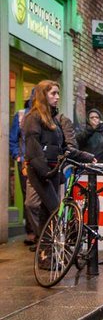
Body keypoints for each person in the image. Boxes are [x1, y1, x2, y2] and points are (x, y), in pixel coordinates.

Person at [22, 80, 94, 267]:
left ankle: (45, 256)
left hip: (54, 171)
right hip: (41, 172)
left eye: (57, 93)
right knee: (55, 210)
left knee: (47, 213)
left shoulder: (54, 120)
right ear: (43, 95)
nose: (57, 97)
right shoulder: (33, 118)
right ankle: (47, 254)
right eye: (53, 93)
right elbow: (33, 150)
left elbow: (63, 148)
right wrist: (45, 172)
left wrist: (86, 157)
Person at [10, 91, 36, 245]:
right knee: (28, 197)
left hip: (41, 162)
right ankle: (31, 232)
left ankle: (41, 232)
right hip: (25, 163)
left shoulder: (46, 114)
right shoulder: (21, 115)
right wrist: (17, 156)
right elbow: (13, 139)